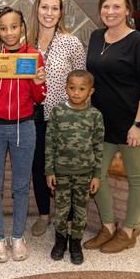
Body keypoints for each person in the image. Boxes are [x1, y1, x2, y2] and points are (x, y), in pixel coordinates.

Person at [84, 0, 140, 253]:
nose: (111, 12)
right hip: (103, 123)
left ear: (127, 10)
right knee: (96, 174)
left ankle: (128, 230)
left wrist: (139, 125)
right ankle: (108, 226)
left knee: (136, 177)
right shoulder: (95, 37)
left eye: (117, 7)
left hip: (132, 124)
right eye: (106, 7)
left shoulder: (139, 42)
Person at [0, 7, 46, 263]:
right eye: (3, 28)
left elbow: (39, 98)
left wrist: (39, 83)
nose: (9, 33)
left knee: (20, 186)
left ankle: (17, 236)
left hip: (24, 127)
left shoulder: (34, 56)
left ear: (22, 26)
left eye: (14, 27)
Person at [26, 0, 86, 237]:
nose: (49, 13)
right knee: (38, 167)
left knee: (65, 170)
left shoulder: (71, 42)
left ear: (60, 12)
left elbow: (82, 80)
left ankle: (69, 220)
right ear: (36, 9)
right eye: (44, 7)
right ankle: (43, 215)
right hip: (33, 117)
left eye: (54, 8)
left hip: (64, 120)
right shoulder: (25, 43)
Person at [45, 70, 104, 265]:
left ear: (91, 91)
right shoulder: (58, 112)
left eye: (81, 89)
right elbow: (50, 143)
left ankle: (76, 243)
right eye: (72, 88)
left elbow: (98, 146)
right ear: (65, 88)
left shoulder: (95, 115)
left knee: (80, 212)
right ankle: (60, 241)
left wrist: (96, 175)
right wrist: (49, 171)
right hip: (61, 172)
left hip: (84, 174)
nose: (76, 93)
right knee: (61, 211)